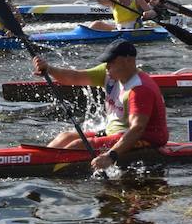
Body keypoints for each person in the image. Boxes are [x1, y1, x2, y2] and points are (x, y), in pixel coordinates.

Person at [33, 40, 168, 168]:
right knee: (66, 136)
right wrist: (49, 69)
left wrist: (111, 156)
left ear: (128, 61)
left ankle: (44, 168)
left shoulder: (140, 89)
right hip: (116, 133)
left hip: (145, 139)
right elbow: (74, 77)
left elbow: (137, 129)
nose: (107, 66)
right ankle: (36, 160)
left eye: (111, 62)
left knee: (77, 145)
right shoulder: (108, 73)